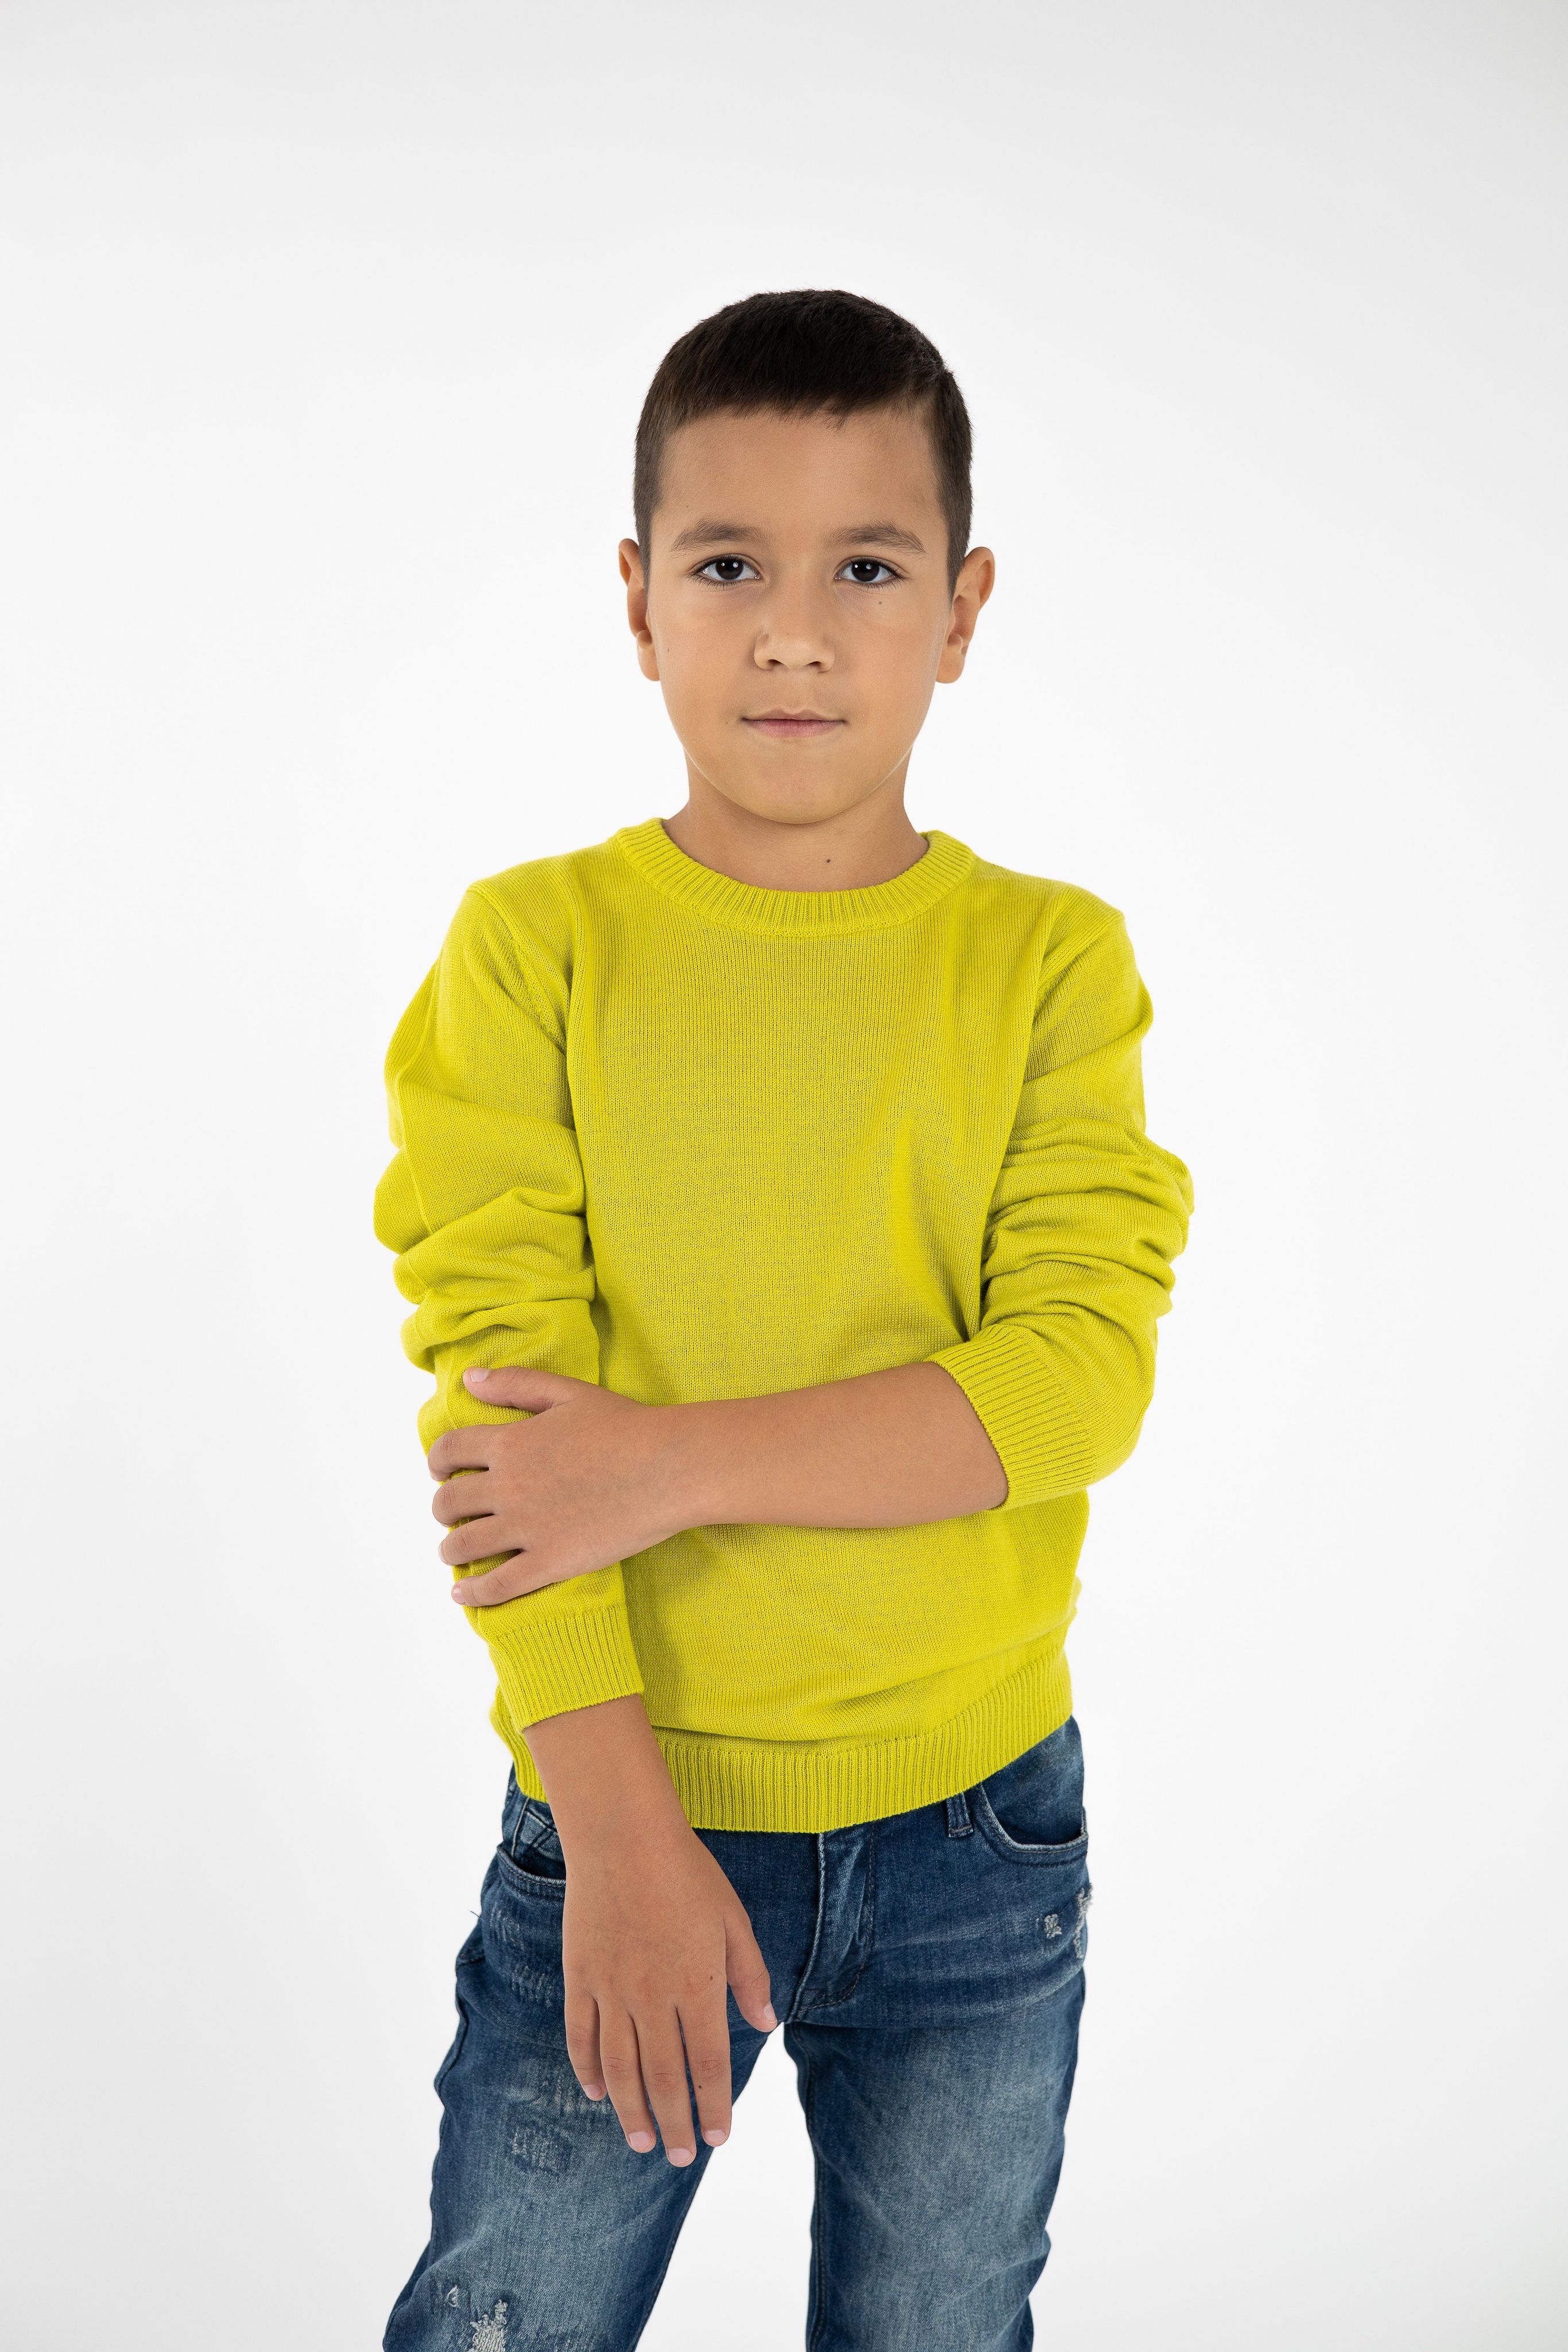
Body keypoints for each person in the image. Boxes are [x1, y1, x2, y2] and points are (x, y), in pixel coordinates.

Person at [373, 287, 1195, 2351]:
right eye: (730, 565)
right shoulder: (535, 949)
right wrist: (621, 1828)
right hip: (618, 1802)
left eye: (868, 570)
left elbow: (1073, 1385)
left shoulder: (1049, 965)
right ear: (638, 601)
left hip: (980, 1828)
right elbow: (503, 1440)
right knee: (505, 2317)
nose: (795, 635)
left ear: (964, 607)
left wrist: (658, 1466)